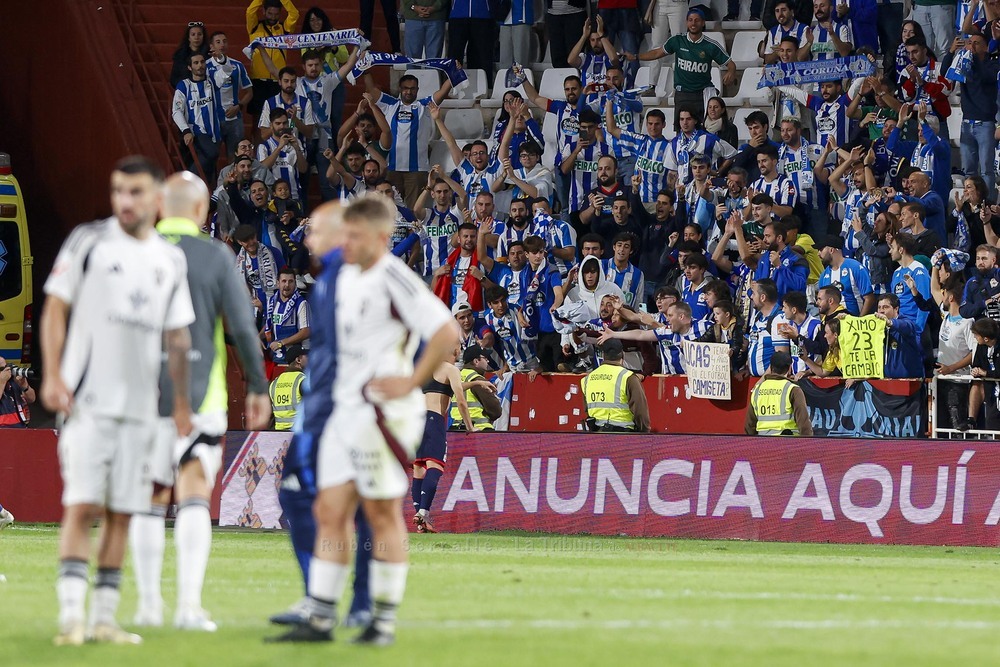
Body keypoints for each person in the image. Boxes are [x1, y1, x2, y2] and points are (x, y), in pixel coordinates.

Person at [269, 195, 459, 645]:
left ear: (380, 236)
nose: (346, 243)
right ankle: (319, 615)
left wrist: (412, 381)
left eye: (355, 236)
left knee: (379, 512)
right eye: (345, 234)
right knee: (330, 509)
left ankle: (382, 620)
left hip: (382, 415)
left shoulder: (392, 276)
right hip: (345, 410)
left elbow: (446, 331)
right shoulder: (345, 278)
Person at [41, 156, 196, 646]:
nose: (123, 202)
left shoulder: (170, 260)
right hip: (87, 403)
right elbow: (54, 309)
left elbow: (177, 336)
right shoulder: (89, 241)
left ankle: (105, 618)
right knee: (82, 505)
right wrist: (51, 375)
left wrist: (181, 403)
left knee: (125, 512)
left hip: (140, 410)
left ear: (155, 199)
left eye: (134, 192)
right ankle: (71, 617)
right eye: (117, 192)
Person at [129, 173, 271, 631]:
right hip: (200, 394)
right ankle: (188, 608)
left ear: (158, 208)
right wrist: (256, 385)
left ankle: (148, 607)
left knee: (150, 496)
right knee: (192, 494)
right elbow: (244, 327)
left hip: (139, 395)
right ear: (201, 212)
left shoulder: (132, 252)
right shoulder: (215, 255)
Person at [266, 202, 375, 631]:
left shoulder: (367, 277)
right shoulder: (328, 281)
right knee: (296, 494)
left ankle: (360, 601)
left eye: (314, 232)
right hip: (321, 411)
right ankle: (320, 598)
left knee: (365, 506)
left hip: (356, 411)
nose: (307, 239)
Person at [637, 7, 737, 129]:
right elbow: (657, 53)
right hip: (682, 94)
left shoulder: (711, 45)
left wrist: (731, 71)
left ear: (703, 22)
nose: (693, 23)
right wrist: (637, 56)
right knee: (681, 131)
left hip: (701, 94)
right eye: (690, 20)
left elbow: (731, 64)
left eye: (697, 20)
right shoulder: (677, 40)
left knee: (702, 131)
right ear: (686, 22)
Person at [365, 75, 453, 206]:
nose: (409, 91)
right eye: (406, 88)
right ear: (400, 89)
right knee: (390, 209)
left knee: (414, 210)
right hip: (392, 168)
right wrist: (364, 67)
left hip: (417, 171)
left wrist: (453, 72)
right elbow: (371, 89)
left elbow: (442, 92)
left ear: (417, 89)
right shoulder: (390, 104)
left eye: (412, 88)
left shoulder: (425, 106)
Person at [412, 347, 474, 533]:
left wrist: (477, 384)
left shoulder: (424, 367)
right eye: (457, 349)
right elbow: (460, 401)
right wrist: (469, 426)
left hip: (415, 420)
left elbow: (449, 386)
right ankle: (423, 512)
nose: (458, 353)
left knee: (418, 469)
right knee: (435, 466)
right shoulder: (451, 369)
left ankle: (421, 520)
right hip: (433, 420)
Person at [941, 33, 1000, 193]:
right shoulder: (964, 64)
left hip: (986, 124)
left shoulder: (993, 64)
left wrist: (973, 59)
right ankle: (971, 203)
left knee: (986, 170)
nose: (972, 47)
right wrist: (951, 52)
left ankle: (988, 206)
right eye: (970, 43)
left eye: (977, 43)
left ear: (986, 47)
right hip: (966, 123)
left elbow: (985, 77)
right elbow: (945, 72)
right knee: (968, 169)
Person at [172, 53, 222, 184]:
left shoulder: (212, 81)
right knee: (212, 153)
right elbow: (176, 111)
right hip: (197, 132)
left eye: (202, 62)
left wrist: (221, 59)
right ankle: (186, 181)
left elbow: (226, 73)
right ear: (189, 67)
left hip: (215, 133)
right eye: (196, 63)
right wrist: (186, 131)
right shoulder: (184, 86)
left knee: (210, 170)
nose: (200, 65)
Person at [580, 339, 650, 432]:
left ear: (603, 355)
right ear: (622, 354)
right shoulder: (628, 377)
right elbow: (640, 410)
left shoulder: (587, 379)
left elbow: (587, 409)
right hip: (623, 436)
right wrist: (644, 431)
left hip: (596, 435)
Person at [246, 0, 301, 117]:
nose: (273, 17)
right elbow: (250, 11)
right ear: (264, 11)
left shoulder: (285, 29)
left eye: (276, 14)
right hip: (258, 80)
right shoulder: (254, 27)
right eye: (270, 13)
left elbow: (294, 13)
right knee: (257, 119)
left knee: (279, 116)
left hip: (278, 81)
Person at [206, 32, 253, 162]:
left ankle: (235, 182)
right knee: (211, 156)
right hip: (213, 119)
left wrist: (239, 106)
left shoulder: (237, 66)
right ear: (211, 46)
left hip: (234, 119)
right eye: (218, 42)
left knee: (236, 157)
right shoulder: (205, 66)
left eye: (225, 41)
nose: (222, 45)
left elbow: (249, 92)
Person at [745, 350, 814, 436]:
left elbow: (750, 425)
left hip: (762, 443)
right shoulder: (793, 389)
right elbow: (803, 422)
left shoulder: (757, 390)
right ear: (789, 368)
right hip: (788, 443)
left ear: (770, 368)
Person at [817, 235, 875, 316]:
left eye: (821, 250)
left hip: (854, 322)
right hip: (832, 325)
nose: (818, 254)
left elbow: (869, 298)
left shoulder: (855, 267)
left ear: (831, 250)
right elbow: (821, 304)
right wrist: (824, 323)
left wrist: (859, 321)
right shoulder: (824, 275)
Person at [266, 267, 311, 364]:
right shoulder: (272, 301)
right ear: (278, 283)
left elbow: (306, 331)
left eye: (291, 281)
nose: (287, 285)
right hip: (276, 354)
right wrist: (258, 337)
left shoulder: (301, 303)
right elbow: (269, 324)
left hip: (295, 358)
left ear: (295, 283)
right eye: (284, 281)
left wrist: (281, 342)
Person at [965, 317, 1000, 431]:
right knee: (992, 424)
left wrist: (986, 373)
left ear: (986, 338)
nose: (974, 337)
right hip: (991, 393)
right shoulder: (981, 346)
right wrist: (976, 371)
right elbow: (977, 364)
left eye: (976, 335)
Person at [877, 293, 924, 378]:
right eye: (879, 307)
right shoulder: (879, 328)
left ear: (896, 309)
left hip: (909, 383)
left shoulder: (907, 324)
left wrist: (890, 322)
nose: (881, 311)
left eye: (885, 307)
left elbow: (906, 326)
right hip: (886, 383)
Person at [448, 0, 495, 80]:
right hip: (458, 14)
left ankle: (484, 85)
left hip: (482, 14)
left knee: (482, 55)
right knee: (455, 53)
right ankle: (452, 84)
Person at [270, 345, 306, 431]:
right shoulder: (303, 380)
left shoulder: (274, 382)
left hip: (278, 434)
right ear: (298, 360)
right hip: (298, 432)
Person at [545, 0, 588, 69]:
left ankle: (576, 77)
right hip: (553, 14)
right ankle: (560, 76)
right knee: (557, 53)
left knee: (575, 52)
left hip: (575, 12)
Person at [170, 21, 209, 89]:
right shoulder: (180, 55)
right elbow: (174, 78)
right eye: (193, 34)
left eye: (199, 34)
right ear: (188, 37)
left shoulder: (210, 54)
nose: (196, 37)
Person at [0, 356, 35, 427]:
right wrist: (2, 382)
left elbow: (32, 399)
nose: (6, 371)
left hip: (21, 429)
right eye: (2, 369)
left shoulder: (13, 381)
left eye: (6, 366)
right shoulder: (3, 381)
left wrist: (25, 386)